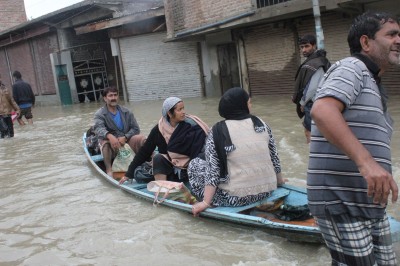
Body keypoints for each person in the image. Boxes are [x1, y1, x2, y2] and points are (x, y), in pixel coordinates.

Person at [307, 11, 399, 265]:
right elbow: (322, 110)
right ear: (366, 42)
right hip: (340, 202)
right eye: (391, 34)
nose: (399, 39)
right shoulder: (352, 67)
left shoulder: (374, 83)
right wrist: (366, 163)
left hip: (368, 203)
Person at [188, 87, 286, 216]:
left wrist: (205, 202)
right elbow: (274, 158)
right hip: (267, 191)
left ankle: (211, 200)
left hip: (237, 199)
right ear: (242, 105)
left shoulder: (217, 130)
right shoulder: (261, 123)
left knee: (195, 164)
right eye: (249, 102)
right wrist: (279, 181)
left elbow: (213, 171)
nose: (250, 105)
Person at [119, 96, 209, 185]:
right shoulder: (158, 130)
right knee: (158, 158)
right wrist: (129, 174)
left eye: (183, 108)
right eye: (179, 110)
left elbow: (201, 149)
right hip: (170, 170)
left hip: (191, 168)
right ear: (169, 114)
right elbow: (144, 152)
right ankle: (162, 189)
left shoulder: (192, 126)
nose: (183, 112)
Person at [94, 86, 146, 177]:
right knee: (105, 144)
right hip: (111, 144)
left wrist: (125, 137)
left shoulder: (127, 112)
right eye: (110, 96)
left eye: (115, 95)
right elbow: (99, 129)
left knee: (142, 138)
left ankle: (148, 162)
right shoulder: (100, 114)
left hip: (126, 140)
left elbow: (136, 129)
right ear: (105, 98)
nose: (113, 98)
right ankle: (109, 170)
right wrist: (110, 136)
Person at [292, 34, 331, 143]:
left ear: (314, 46)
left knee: (309, 131)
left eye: (307, 46)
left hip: (313, 102)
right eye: (302, 47)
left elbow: (312, 88)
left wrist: (303, 103)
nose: (304, 50)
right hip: (321, 101)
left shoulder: (316, 63)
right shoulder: (319, 60)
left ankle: (311, 153)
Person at [0, 74, 20, 138]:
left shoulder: (5, 88)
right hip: (0, 115)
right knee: (4, 131)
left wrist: (17, 109)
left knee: (11, 133)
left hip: (8, 113)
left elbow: (11, 100)